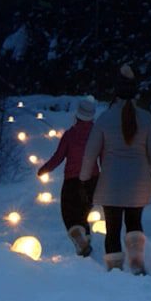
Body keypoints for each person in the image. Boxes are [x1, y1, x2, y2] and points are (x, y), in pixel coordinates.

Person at [78, 64, 151, 274]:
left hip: (111, 185)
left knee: (113, 229)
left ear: (115, 92)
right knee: (134, 223)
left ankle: (115, 270)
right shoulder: (146, 119)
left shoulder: (105, 119)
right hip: (139, 184)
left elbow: (90, 154)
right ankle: (136, 264)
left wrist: (85, 180)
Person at [37, 97, 100, 256]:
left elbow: (58, 156)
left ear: (77, 115)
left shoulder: (70, 135)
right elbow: (104, 156)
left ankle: (79, 238)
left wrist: (44, 169)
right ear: (92, 116)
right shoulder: (98, 134)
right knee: (84, 212)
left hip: (73, 181)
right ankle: (85, 240)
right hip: (93, 180)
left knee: (70, 213)